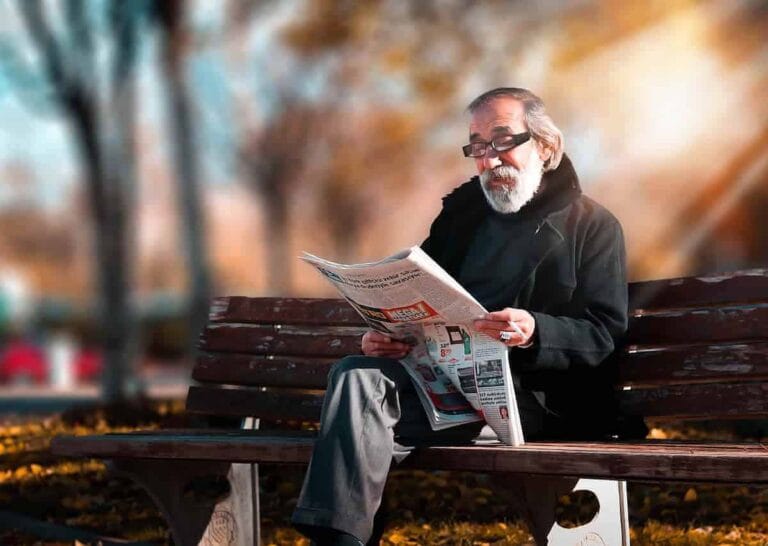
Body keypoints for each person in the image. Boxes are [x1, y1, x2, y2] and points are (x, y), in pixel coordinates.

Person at [291, 87, 645, 546]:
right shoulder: (460, 221)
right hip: (447, 389)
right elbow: (416, 291)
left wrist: (536, 330)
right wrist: (386, 334)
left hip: (534, 400)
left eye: (501, 140)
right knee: (357, 375)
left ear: (545, 146)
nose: (488, 158)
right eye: (477, 146)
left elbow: (604, 334)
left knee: (366, 423)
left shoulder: (592, 226)